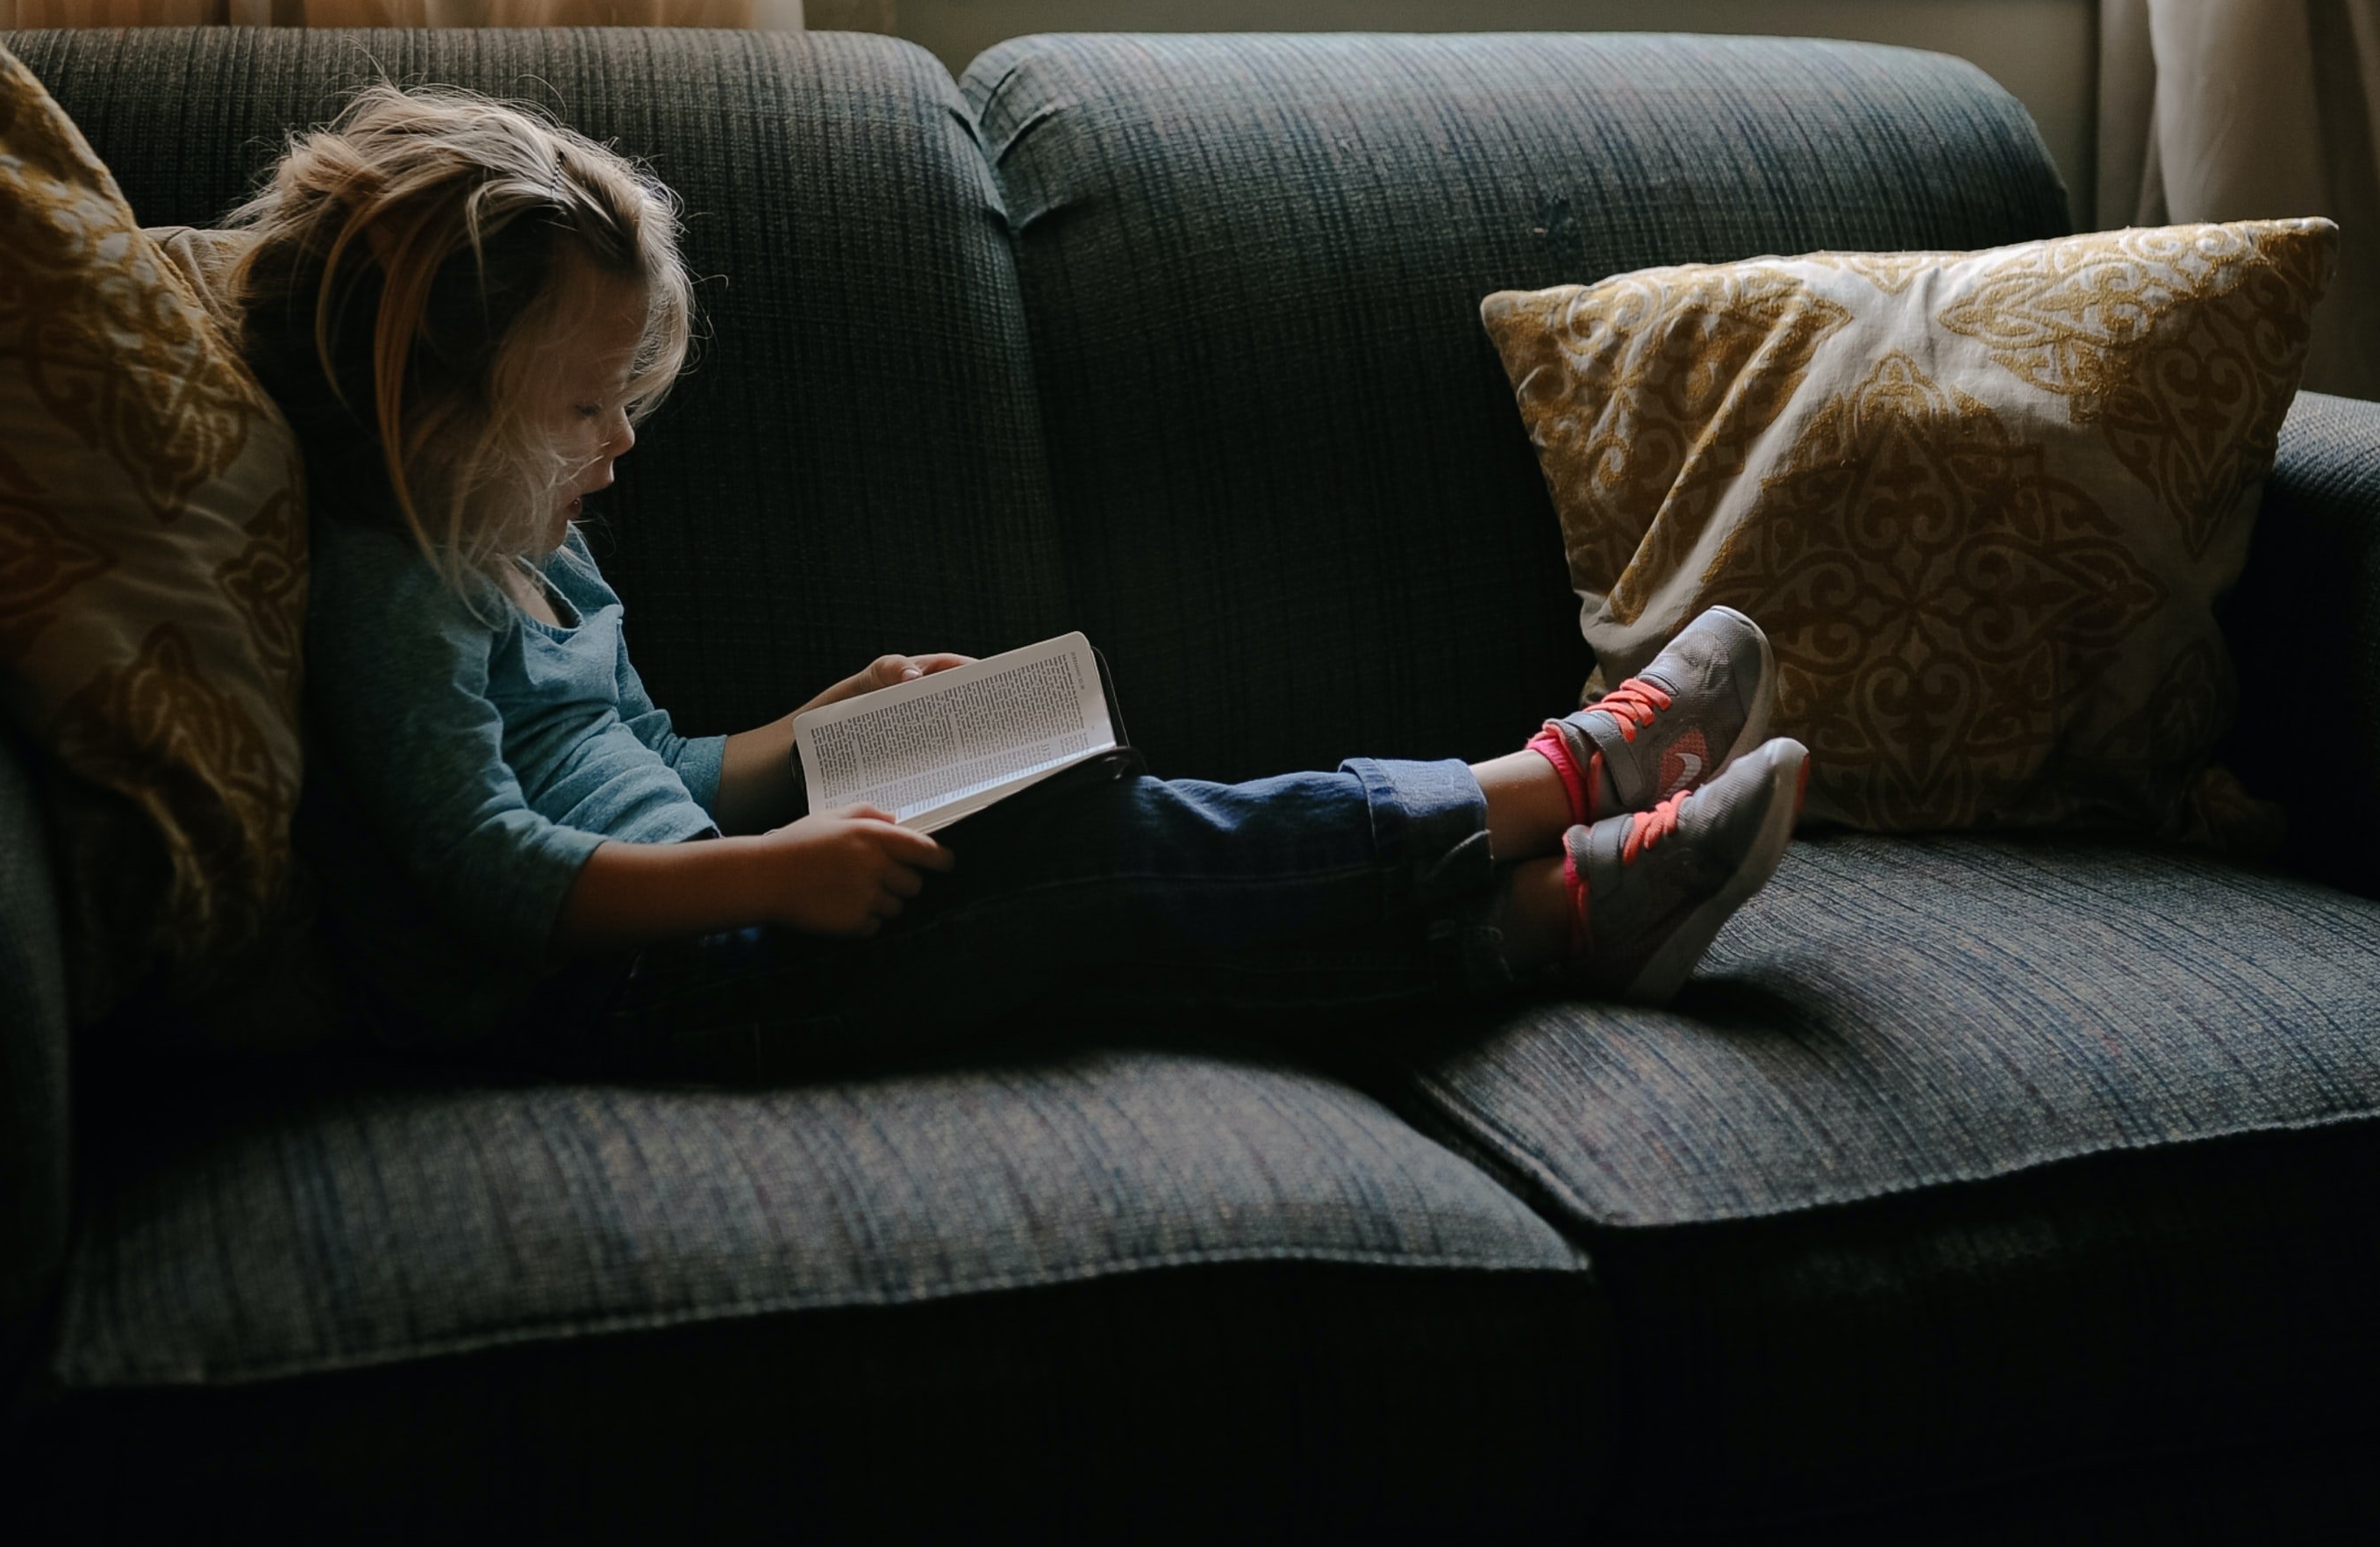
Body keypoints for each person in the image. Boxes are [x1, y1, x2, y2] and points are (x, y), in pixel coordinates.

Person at [232, 85, 1808, 1078]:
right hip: (646, 996)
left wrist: (813, 732)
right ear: (431, 406)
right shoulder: (393, 592)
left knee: (1094, 846)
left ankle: (1558, 914)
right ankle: (1560, 780)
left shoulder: (529, 540)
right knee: (1091, 856)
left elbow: (653, 770)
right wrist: (777, 872)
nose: (622, 439)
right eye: (581, 406)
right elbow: (496, 869)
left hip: (708, 919)